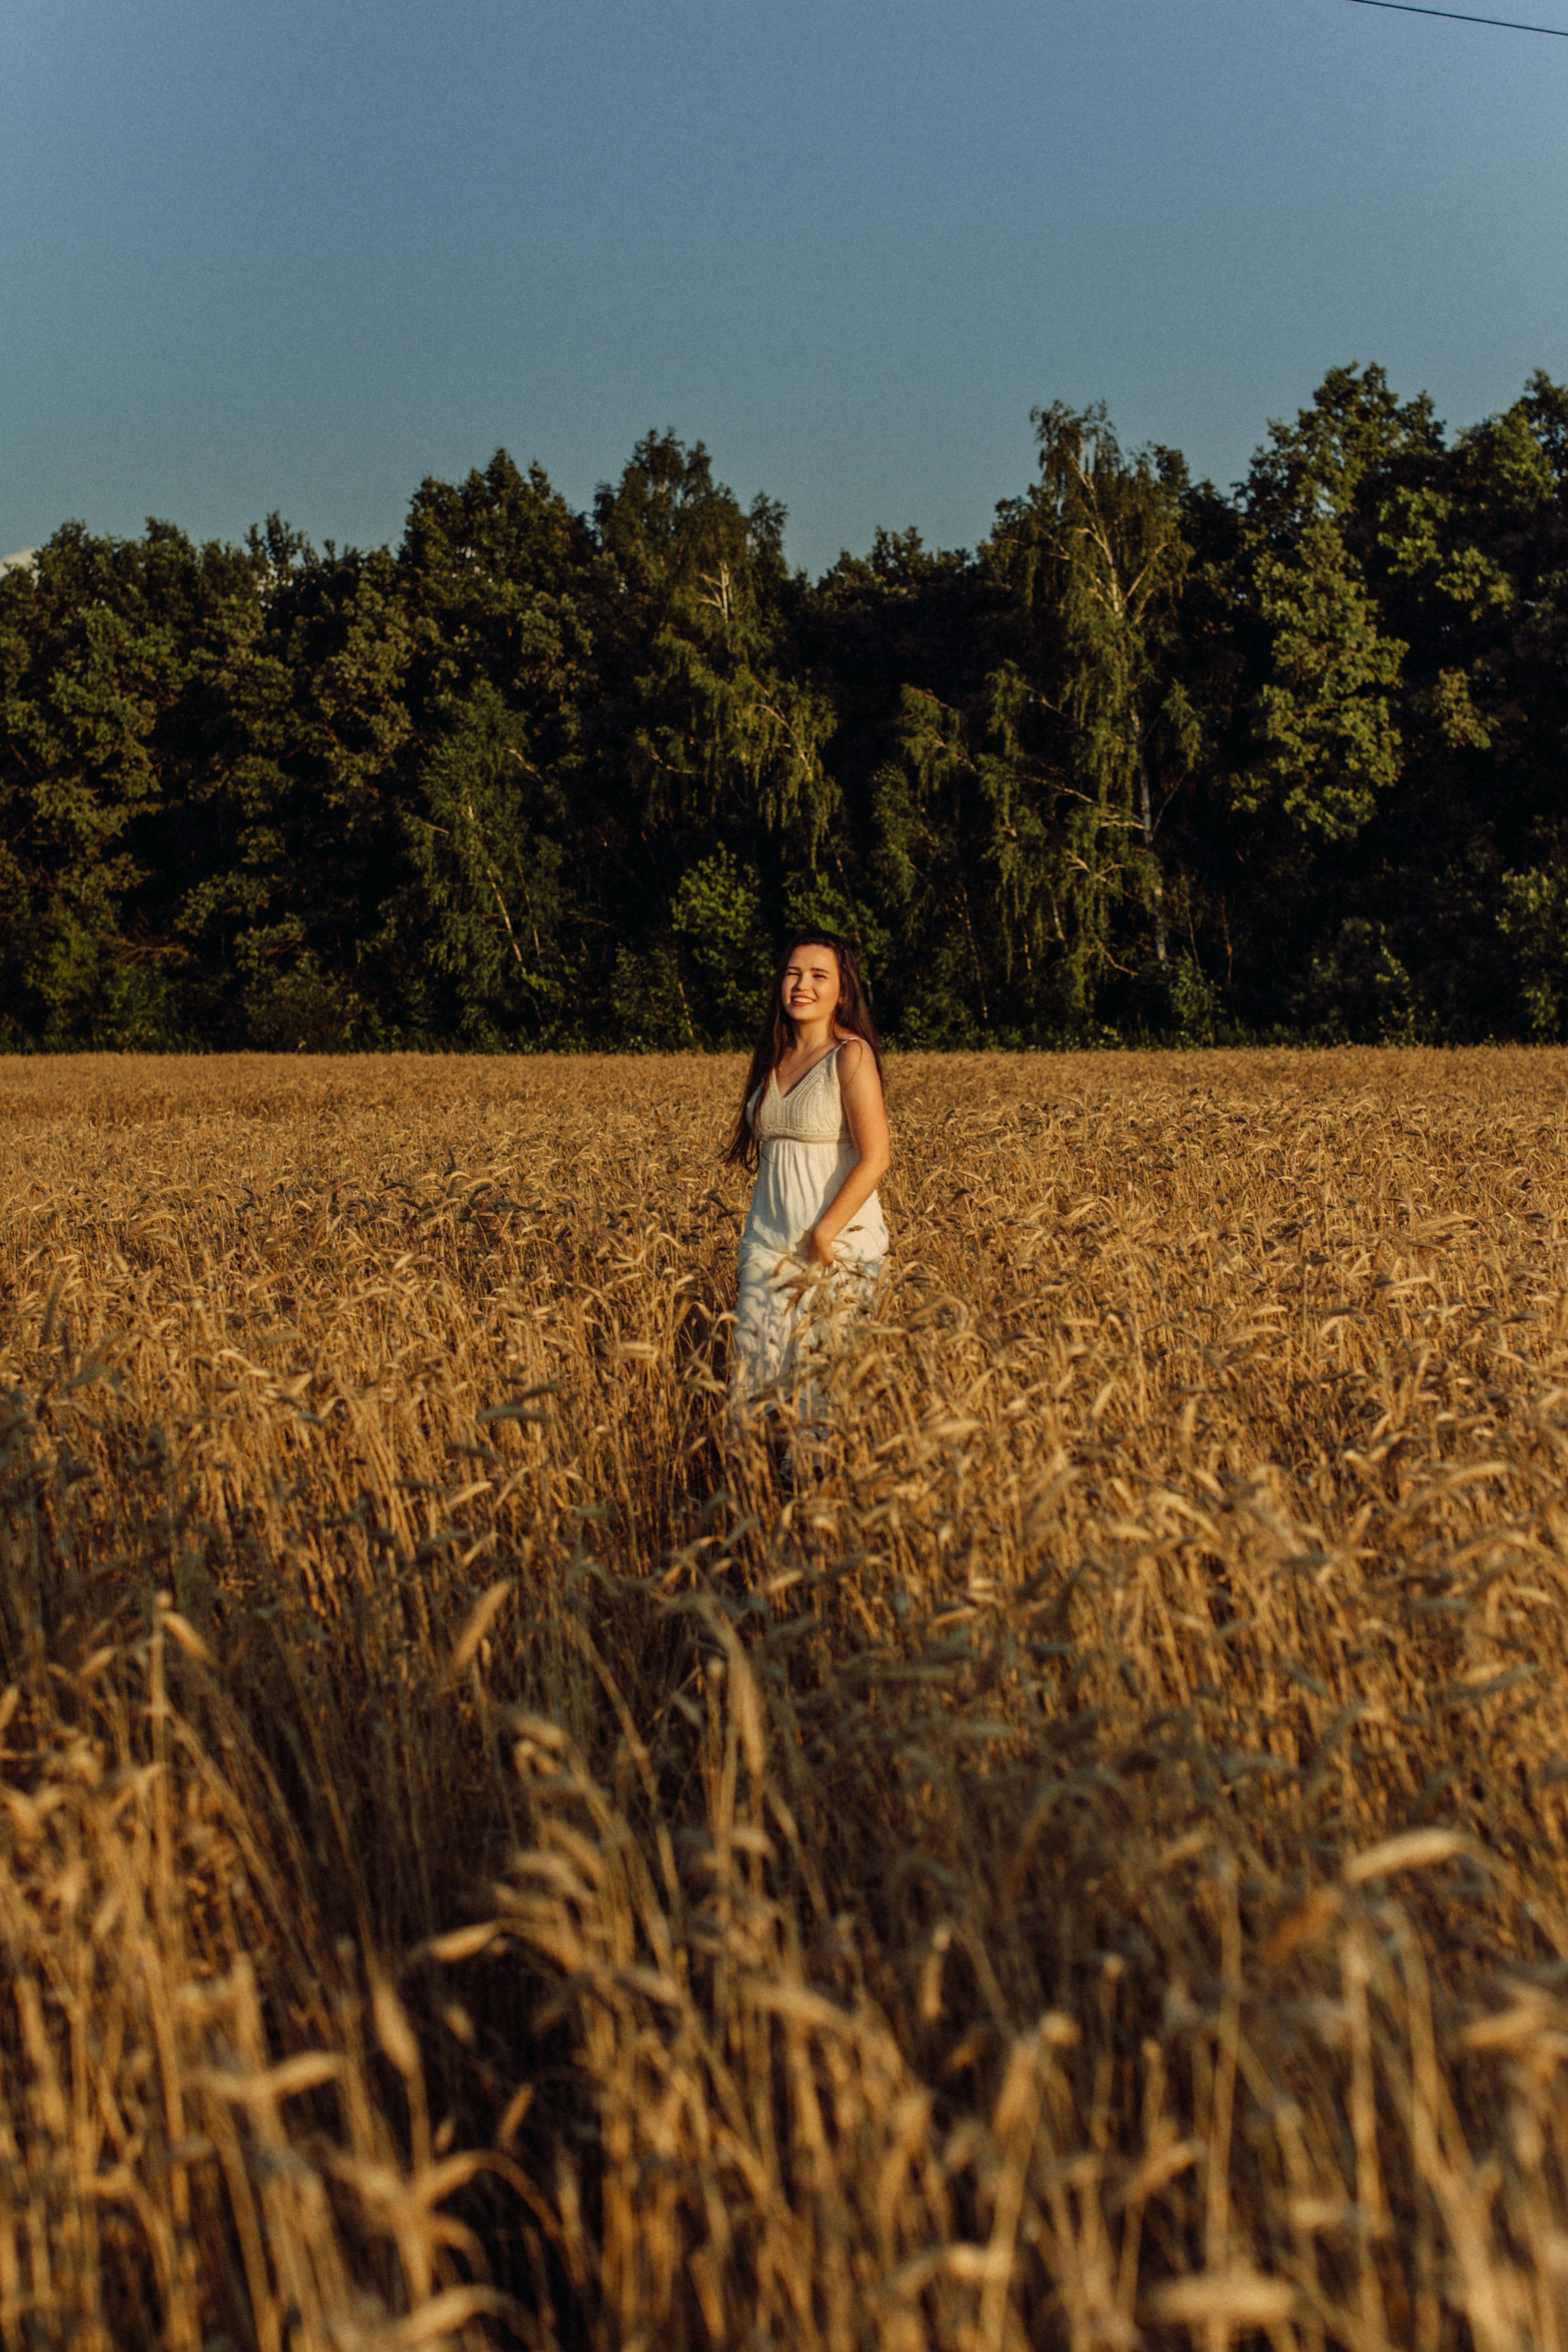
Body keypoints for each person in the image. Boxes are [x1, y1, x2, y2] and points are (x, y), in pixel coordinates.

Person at [723, 930, 891, 1423]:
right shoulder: (773, 1056)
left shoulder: (851, 1056)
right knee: (751, 1391)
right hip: (767, 1248)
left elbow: (876, 1156)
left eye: (819, 976)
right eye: (793, 973)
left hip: (837, 1250)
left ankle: (816, 1493)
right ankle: (754, 1494)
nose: (802, 985)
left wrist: (824, 1233)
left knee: (824, 1399)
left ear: (843, 991)